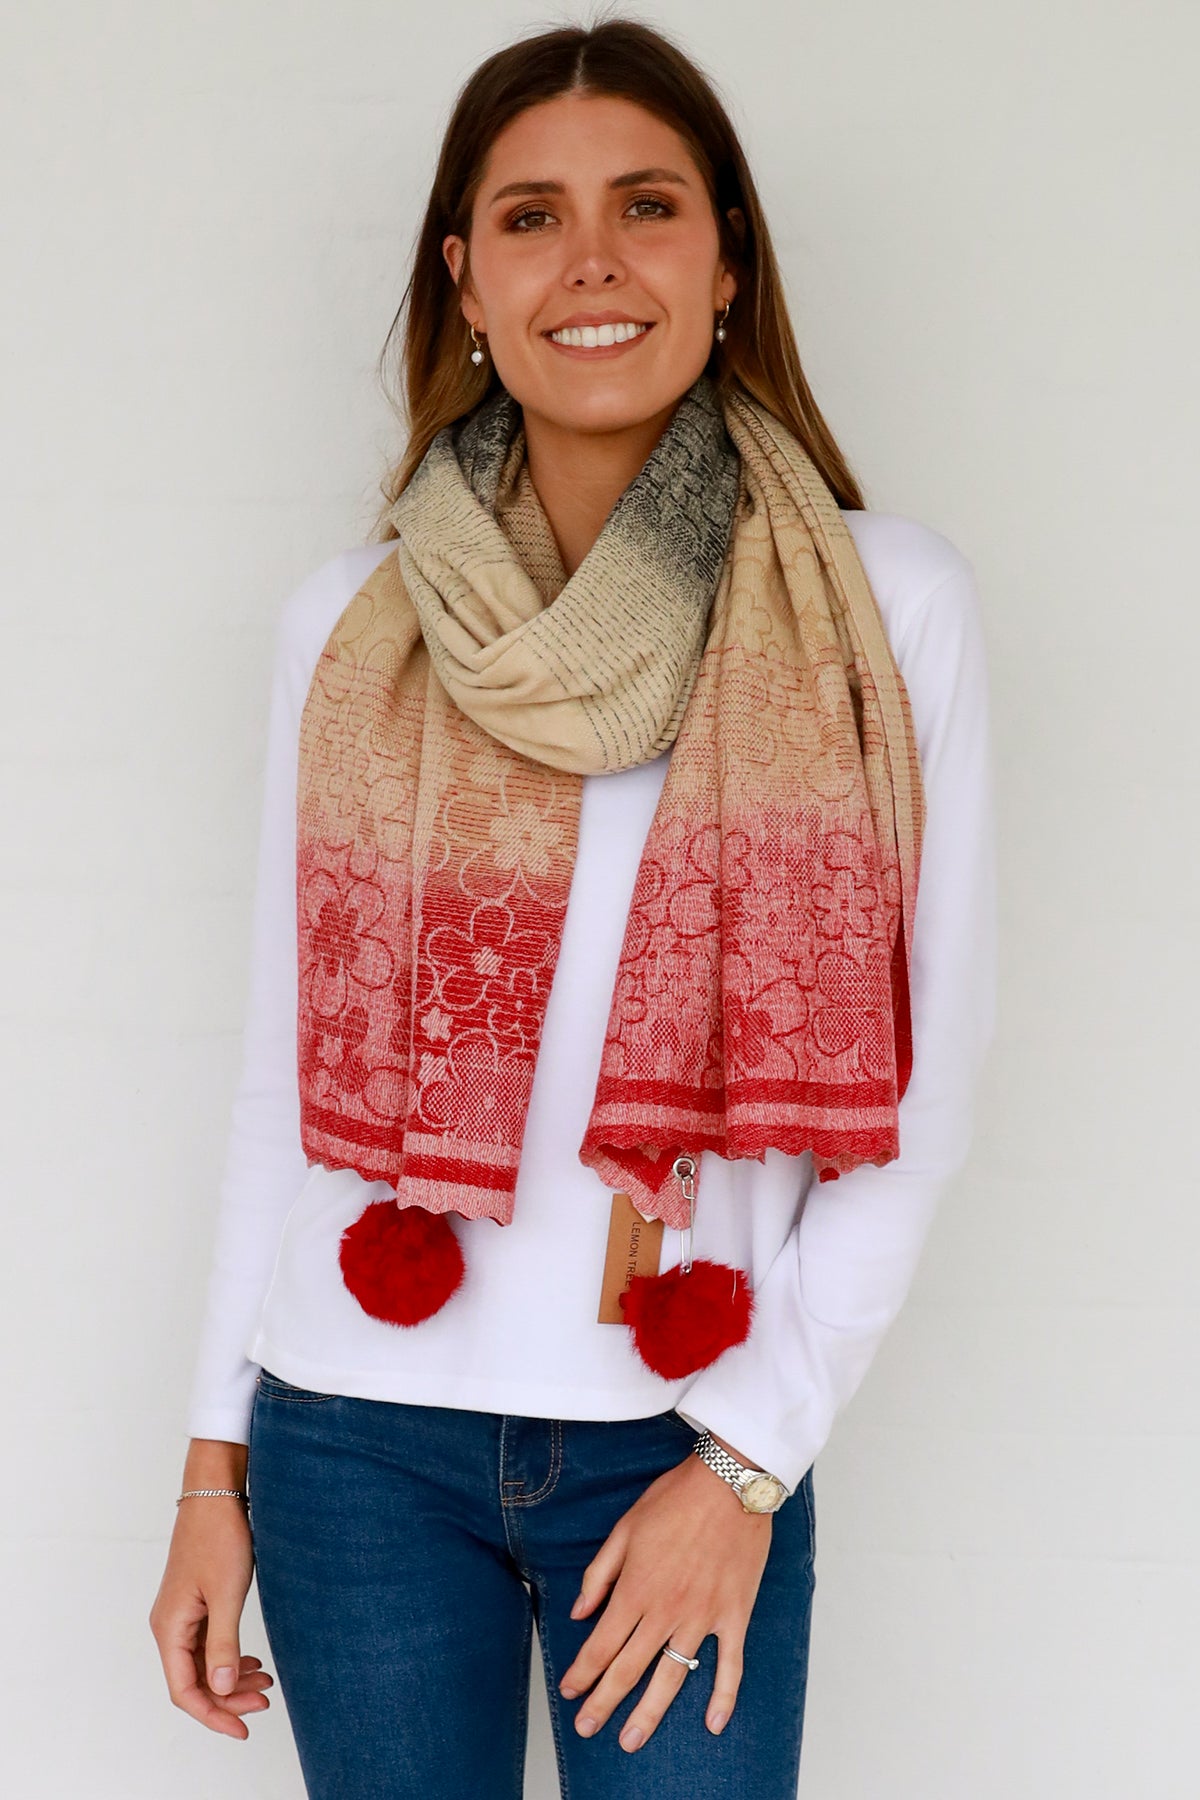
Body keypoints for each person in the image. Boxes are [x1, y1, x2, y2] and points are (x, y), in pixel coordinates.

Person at [149, 17, 996, 1799]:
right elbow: (279, 1079)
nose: (592, 259)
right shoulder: (354, 627)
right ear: (465, 277)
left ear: (727, 259)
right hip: (353, 1445)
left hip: (684, 1434)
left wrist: (746, 1462)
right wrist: (213, 1465)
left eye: (648, 206)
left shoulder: (878, 610)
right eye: (532, 216)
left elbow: (922, 1091)